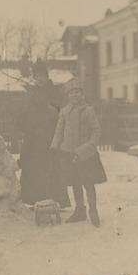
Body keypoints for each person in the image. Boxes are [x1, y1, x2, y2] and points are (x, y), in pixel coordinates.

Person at [50, 78, 107, 226]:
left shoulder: (88, 110)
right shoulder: (64, 111)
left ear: (82, 94)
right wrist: (55, 146)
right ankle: (80, 209)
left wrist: (91, 145)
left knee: (88, 182)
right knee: (75, 182)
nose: (74, 95)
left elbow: (96, 130)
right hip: (68, 152)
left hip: (85, 154)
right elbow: (59, 130)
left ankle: (93, 210)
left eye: (77, 92)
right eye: (71, 93)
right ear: (67, 95)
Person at [18, 61, 71, 209]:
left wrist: (49, 111)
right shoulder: (32, 92)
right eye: (36, 76)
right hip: (34, 136)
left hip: (50, 135)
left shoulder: (54, 91)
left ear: (45, 76)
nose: (38, 79)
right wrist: (24, 121)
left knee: (51, 167)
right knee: (33, 166)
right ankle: (35, 200)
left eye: (40, 76)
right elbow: (26, 110)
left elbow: (60, 110)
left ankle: (55, 199)